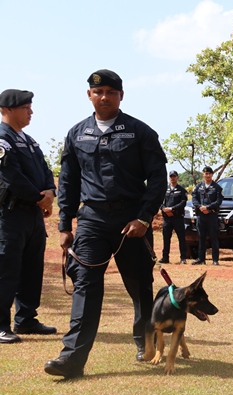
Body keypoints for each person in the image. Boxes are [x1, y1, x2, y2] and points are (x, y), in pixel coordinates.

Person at [44, 70, 167, 378]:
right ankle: (71, 358)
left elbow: (157, 179)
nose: (104, 97)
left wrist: (144, 217)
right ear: (89, 95)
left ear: (121, 96)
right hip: (92, 220)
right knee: (85, 285)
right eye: (98, 92)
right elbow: (68, 182)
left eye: (111, 92)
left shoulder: (140, 132)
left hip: (131, 220)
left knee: (139, 284)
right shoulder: (77, 133)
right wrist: (64, 225)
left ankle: (145, 341)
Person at [0, 89, 57, 344]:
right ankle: (1, 325)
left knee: (32, 270)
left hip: (32, 216)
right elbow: (11, 177)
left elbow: (45, 170)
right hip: (9, 215)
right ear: (7, 110)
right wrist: (39, 197)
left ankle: (26, 319)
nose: (31, 112)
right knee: (6, 270)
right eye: (25, 107)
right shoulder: (2, 140)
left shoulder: (30, 141)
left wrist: (50, 192)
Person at [191, 166, 223, 265]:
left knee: (214, 238)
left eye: (209, 173)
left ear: (212, 174)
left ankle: (215, 260)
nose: (207, 175)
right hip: (201, 215)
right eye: (206, 173)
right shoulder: (198, 187)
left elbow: (219, 201)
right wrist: (200, 207)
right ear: (203, 174)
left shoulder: (217, 187)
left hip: (212, 215)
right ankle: (201, 259)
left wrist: (208, 207)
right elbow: (194, 199)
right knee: (201, 237)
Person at [159, 170, 188, 265]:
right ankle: (165, 257)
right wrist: (164, 209)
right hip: (167, 218)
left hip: (177, 217)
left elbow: (183, 203)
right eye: (171, 176)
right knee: (166, 238)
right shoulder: (164, 189)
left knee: (181, 238)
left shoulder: (181, 190)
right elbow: (160, 202)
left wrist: (172, 209)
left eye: (174, 176)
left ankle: (183, 258)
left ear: (177, 177)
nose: (172, 178)